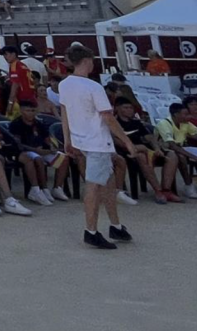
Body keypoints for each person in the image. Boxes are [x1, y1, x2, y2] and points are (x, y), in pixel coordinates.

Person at [59, 44, 135, 249]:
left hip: (81, 139)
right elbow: (108, 117)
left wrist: (67, 139)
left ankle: (115, 225)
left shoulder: (65, 84)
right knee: (94, 186)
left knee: (107, 183)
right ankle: (91, 230)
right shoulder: (93, 87)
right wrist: (127, 141)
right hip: (97, 141)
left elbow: (64, 112)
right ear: (86, 61)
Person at [115, 98, 179, 204]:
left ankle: (166, 190)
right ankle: (158, 190)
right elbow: (119, 143)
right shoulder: (115, 124)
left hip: (148, 149)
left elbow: (149, 137)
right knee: (141, 156)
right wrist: (140, 148)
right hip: (131, 152)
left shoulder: (136, 122)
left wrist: (157, 148)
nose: (130, 110)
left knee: (172, 155)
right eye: (126, 108)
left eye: (131, 108)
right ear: (117, 108)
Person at [6, 104, 71, 206]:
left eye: (33, 110)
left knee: (64, 158)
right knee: (38, 158)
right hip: (26, 151)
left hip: (42, 150)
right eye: (28, 110)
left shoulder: (38, 123)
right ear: (22, 111)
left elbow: (47, 138)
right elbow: (18, 144)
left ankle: (57, 188)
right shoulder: (16, 124)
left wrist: (51, 147)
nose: (31, 113)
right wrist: (36, 150)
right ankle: (40, 189)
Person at [154, 102, 197, 200]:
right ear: (176, 114)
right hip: (166, 149)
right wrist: (196, 158)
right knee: (181, 157)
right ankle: (188, 185)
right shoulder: (164, 124)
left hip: (181, 146)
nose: (189, 116)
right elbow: (172, 146)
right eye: (186, 114)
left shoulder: (186, 123)